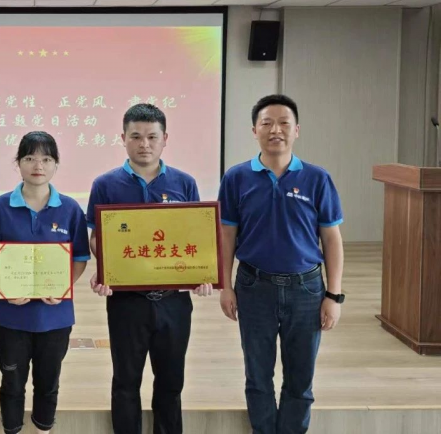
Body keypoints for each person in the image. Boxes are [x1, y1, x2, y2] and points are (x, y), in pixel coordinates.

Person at [218, 94, 344, 434]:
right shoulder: (236, 178)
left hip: (306, 289)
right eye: (267, 123)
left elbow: (331, 239)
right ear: (254, 130)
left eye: (284, 123)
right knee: (257, 375)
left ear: (297, 129)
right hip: (253, 286)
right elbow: (226, 236)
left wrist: (333, 296)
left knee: (300, 378)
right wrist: (225, 287)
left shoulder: (317, 178)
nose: (276, 130)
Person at [86, 103, 213, 434]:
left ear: (165, 138)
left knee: (171, 383)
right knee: (125, 382)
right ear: (123, 138)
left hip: (174, 301)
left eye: (152, 136)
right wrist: (106, 268)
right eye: (136, 136)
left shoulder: (184, 183)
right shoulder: (105, 184)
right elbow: (97, 237)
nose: (144, 144)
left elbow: (195, 237)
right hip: (127, 301)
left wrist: (201, 275)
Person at [0, 131, 90, 434]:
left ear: (56, 164)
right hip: (11, 315)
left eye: (46, 159)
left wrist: (63, 288)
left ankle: (43, 428)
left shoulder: (70, 209)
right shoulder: (0, 207)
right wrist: (6, 287)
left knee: (48, 382)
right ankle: (12, 428)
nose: (38, 165)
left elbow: (80, 258)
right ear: (18, 162)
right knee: (12, 382)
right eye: (29, 158)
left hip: (56, 317)